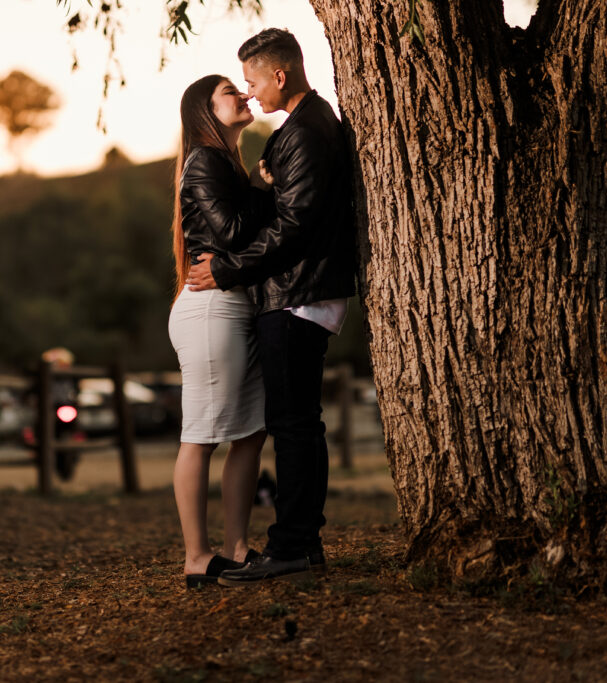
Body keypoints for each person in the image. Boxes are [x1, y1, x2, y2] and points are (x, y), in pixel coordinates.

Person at [186, 28, 358, 586]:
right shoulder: (298, 131)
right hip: (294, 293)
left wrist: (228, 269)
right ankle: (297, 543)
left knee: (293, 425)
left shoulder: (306, 131)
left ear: (279, 75)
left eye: (254, 81)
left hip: (299, 293)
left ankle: (294, 546)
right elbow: (286, 214)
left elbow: (295, 227)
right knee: (295, 423)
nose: (252, 92)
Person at [168, 74, 275, 589]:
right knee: (201, 437)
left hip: (234, 306)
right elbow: (232, 233)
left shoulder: (223, 162)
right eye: (232, 91)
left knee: (251, 433)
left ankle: (236, 548)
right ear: (206, 110)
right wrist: (268, 191)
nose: (246, 95)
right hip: (211, 309)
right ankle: (196, 556)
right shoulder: (205, 161)